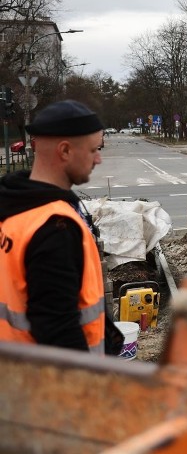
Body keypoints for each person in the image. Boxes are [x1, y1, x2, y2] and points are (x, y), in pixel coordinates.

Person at [0, 100, 123, 354]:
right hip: (49, 385)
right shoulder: (55, 227)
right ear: (65, 151)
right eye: (93, 150)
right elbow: (59, 332)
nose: (98, 159)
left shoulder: (15, 205)